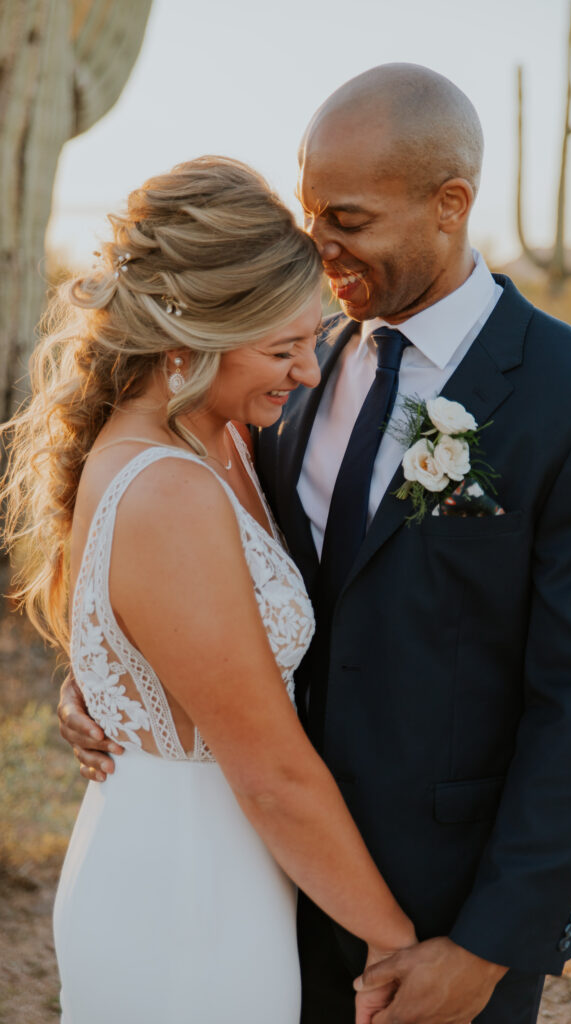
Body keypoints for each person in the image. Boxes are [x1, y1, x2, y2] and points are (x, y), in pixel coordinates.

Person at [58, 66, 571, 1024]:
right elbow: (201, 569)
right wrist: (121, 671)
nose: (319, 247)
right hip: (256, 872)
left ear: (448, 205)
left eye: (346, 219)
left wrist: (487, 949)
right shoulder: (291, 363)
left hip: (445, 914)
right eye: (310, 215)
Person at [1, 155, 417, 1024]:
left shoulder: (216, 438)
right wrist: (394, 944)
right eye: (282, 348)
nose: (307, 372)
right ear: (191, 335)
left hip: (219, 870)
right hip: (182, 895)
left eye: (311, 339)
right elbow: (268, 771)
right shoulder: (171, 489)